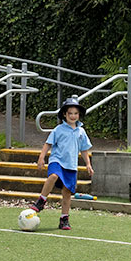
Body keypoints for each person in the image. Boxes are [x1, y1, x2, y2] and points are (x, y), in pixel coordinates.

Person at [32, 97, 93, 231]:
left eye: (75, 113)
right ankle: (41, 201)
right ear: (64, 114)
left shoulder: (81, 132)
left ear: (79, 115)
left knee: (67, 192)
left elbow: (84, 149)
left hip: (71, 165)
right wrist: (41, 158)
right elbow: (48, 144)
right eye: (70, 113)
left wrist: (88, 164)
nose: (73, 116)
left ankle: (64, 219)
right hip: (57, 160)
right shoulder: (58, 129)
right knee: (53, 176)